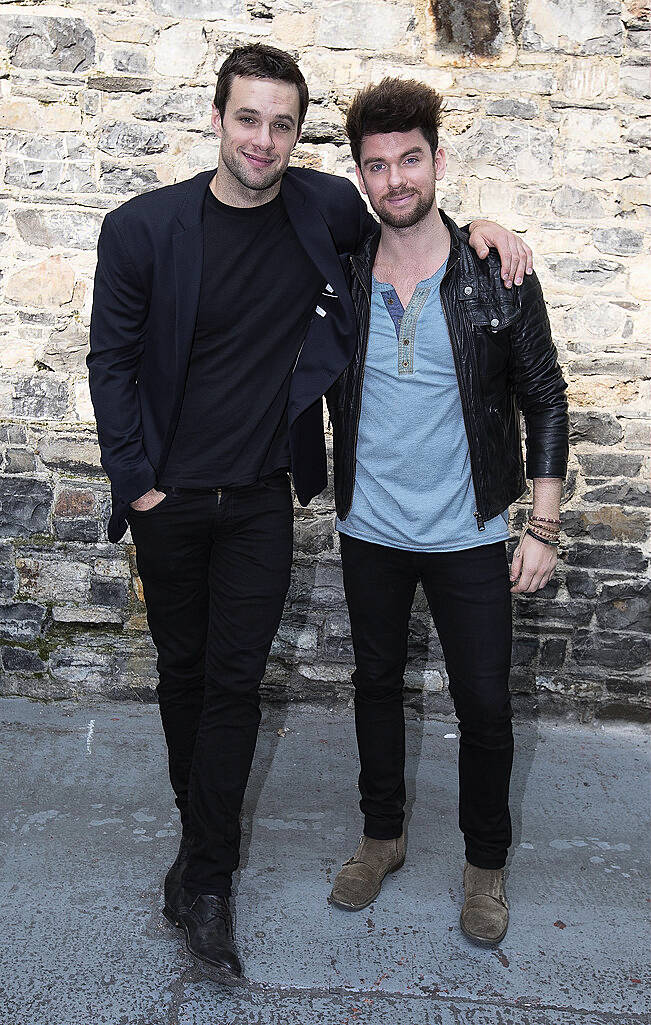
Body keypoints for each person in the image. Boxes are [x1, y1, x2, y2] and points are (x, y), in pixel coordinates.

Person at [88, 44, 534, 981]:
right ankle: (200, 840)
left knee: (235, 686)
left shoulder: (317, 205)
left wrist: (487, 226)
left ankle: (207, 881)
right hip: (169, 501)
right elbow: (112, 364)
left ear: (297, 135)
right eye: (247, 119)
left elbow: (408, 210)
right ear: (216, 120)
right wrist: (138, 485)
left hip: (256, 500)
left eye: (281, 124)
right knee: (183, 676)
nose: (262, 139)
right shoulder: (140, 229)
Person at [326, 78, 568, 947]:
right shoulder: (341, 268)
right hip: (369, 531)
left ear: (437, 159)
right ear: (359, 174)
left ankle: (484, 863)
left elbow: (544, 397)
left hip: (469, 532)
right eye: (376, 165)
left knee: (484, 707)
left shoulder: (492, 273)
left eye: (410, 159)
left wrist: (539, 526)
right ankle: (381, 836)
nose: (395, 179)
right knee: (374, 687)